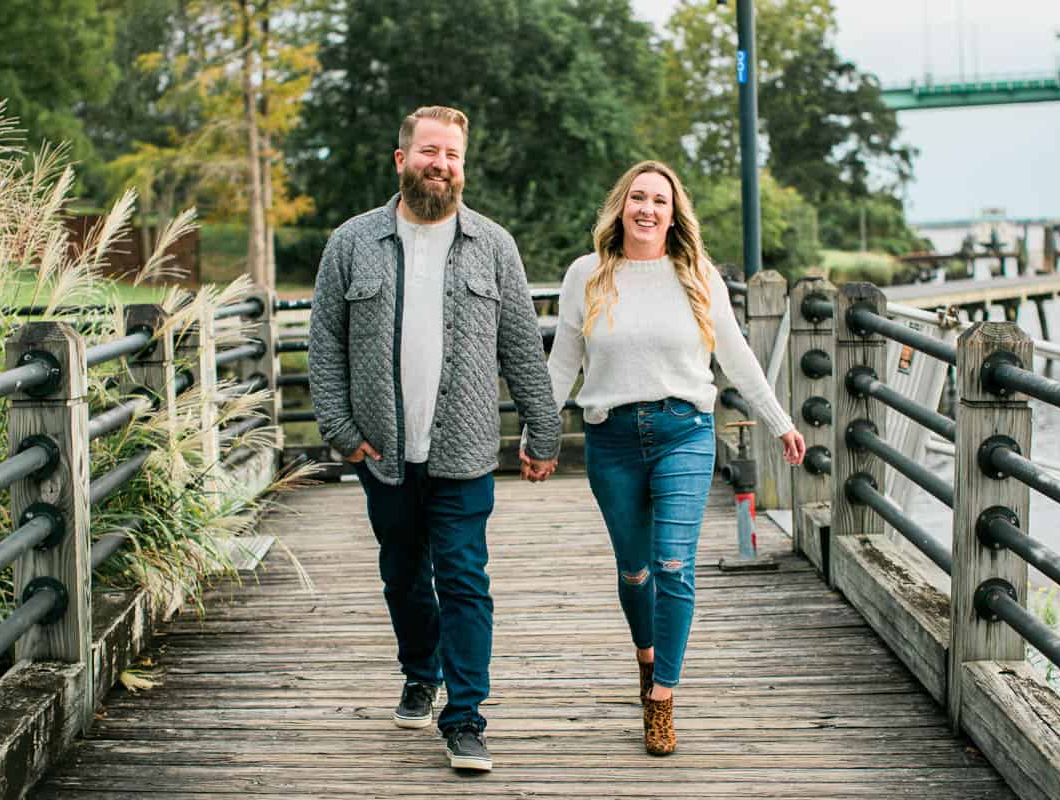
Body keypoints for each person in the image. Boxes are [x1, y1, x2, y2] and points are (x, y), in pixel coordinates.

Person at [522, 160, 806, 755]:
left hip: (684, 432)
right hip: (613, 439)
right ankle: (647, 661)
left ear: (674, 215)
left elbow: (737, 357)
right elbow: (562, 364)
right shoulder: (588, 275)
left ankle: (661, 700)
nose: (647, 209)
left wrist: (780, 421)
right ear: (621, 207)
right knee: (635, 571)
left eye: (660, 201)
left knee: (674, 566)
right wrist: (539, 436)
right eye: (638, 198)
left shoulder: (699, 275)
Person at [309, 105, 561, 773]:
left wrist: (544, 428)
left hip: (466, 451)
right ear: (401, 159)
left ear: (462, 165)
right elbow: (325, 345)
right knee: (403, 575)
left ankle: (467, 717)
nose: (439, 164)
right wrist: (340, 431)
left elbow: (522, 349)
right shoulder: (352, 242)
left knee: (463, 577)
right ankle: (421, 670)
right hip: (382, 453)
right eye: (428, 151)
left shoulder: (493, 246)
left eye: (451, 154)